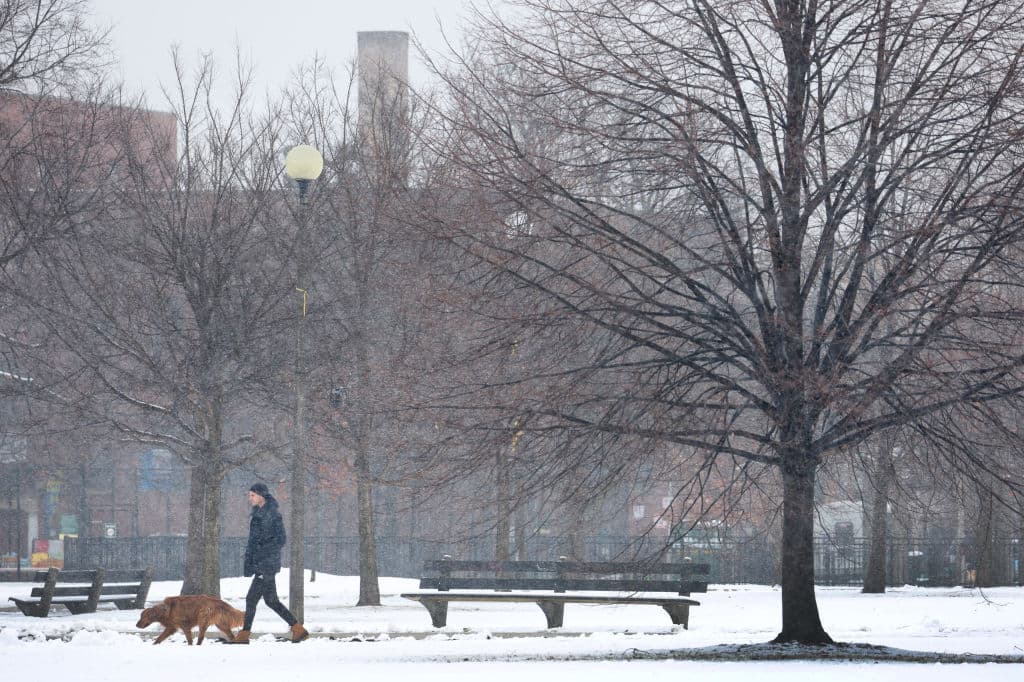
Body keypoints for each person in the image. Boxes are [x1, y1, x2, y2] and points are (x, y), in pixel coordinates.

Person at [227, 482, 309, 643]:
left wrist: (262, 552)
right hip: (261, 564)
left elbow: (281, 539)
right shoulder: (258, 513)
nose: (249, 498)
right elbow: (253, 541)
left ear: (261, 495)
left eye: (252, 495)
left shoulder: (272, 514)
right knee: (271, 601)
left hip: (266, 565)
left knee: (252, 599)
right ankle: (298, 629)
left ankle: (244, 634)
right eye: (249, 495)